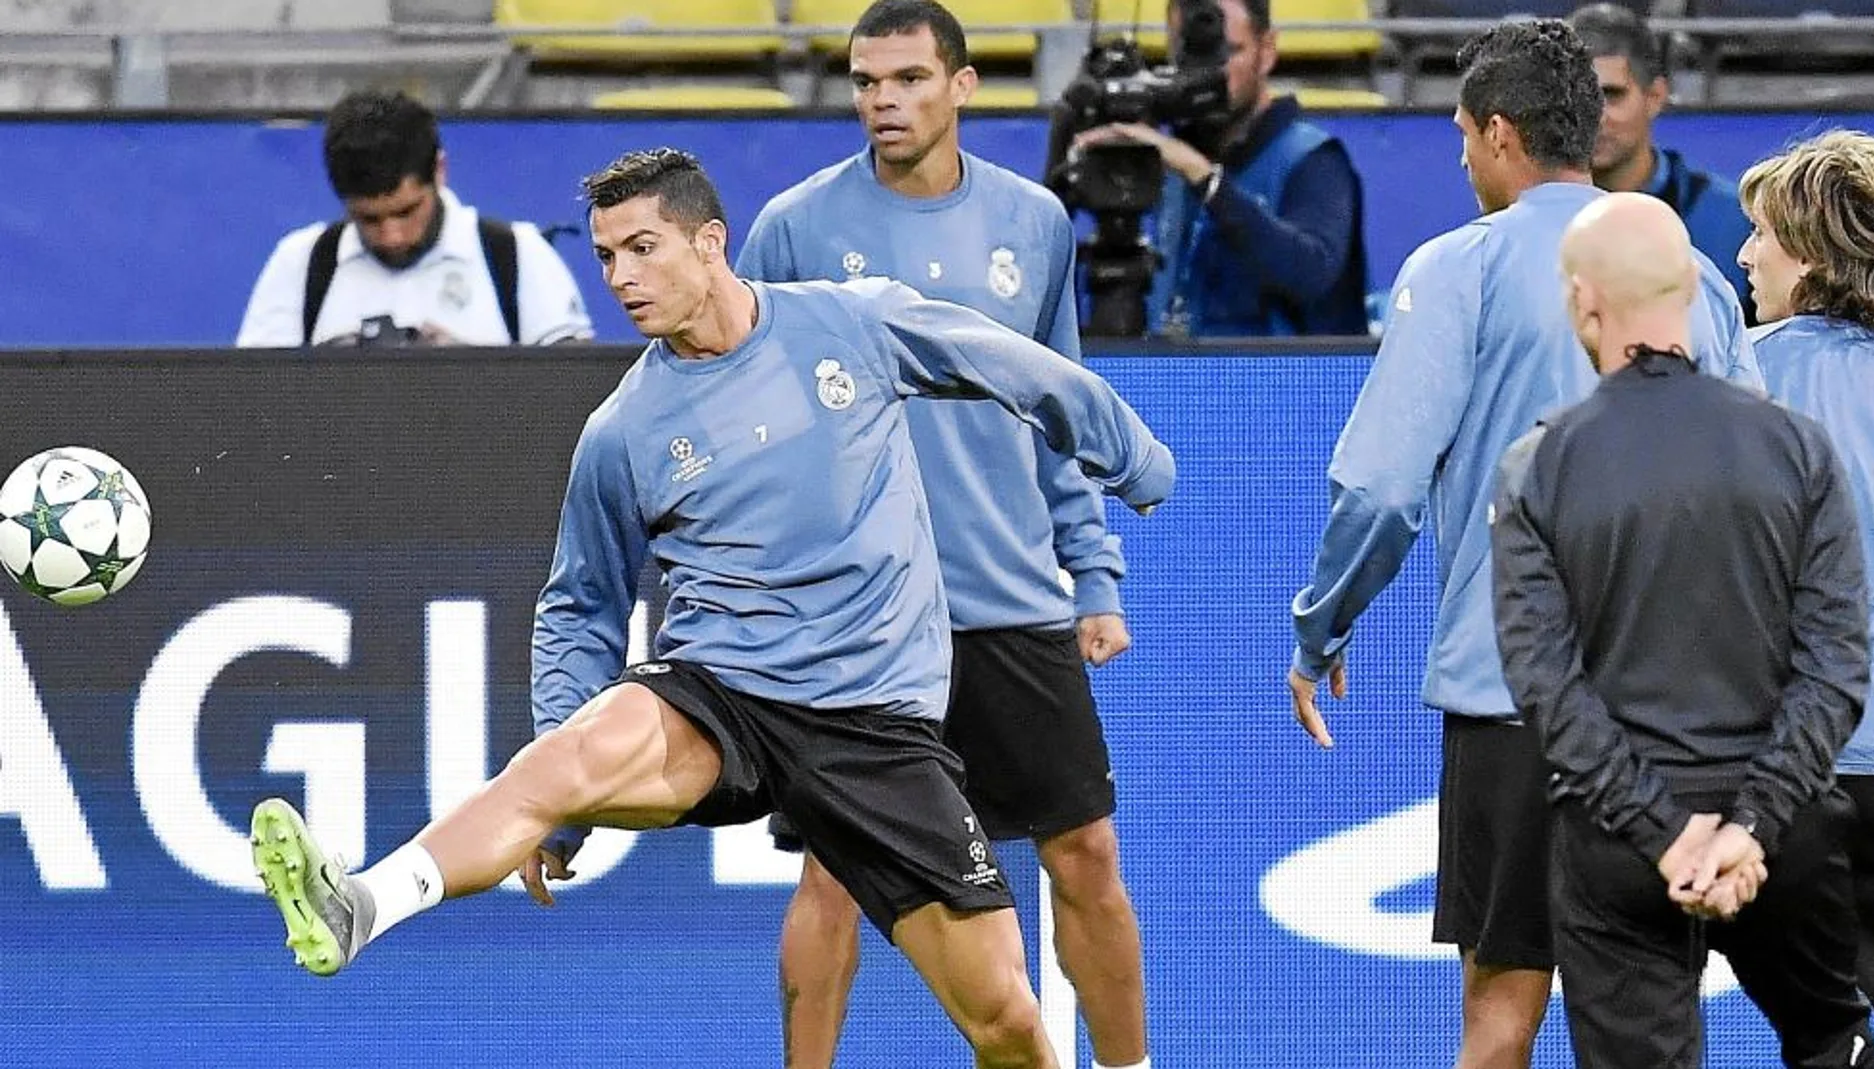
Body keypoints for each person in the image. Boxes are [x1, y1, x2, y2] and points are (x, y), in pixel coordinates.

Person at [247, 146, 1173, 1069]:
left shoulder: (851, 324)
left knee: (1006, 1019)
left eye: (643, 248)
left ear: (711, 242)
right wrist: (565, 812)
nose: (621, 277)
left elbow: (1012, 363)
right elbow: (579, 605)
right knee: (566, 756)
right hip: (720, 693)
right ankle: (362, 903)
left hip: (874, 728)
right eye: (607, 255)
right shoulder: (624, 429)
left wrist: (1128, 456)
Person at [1284, 20, 1759, 1069]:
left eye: (1462, 136)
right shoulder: (1696, 280)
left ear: (1498, 132)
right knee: (1650, 1010)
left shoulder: (1457, 267)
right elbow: (1756, 493)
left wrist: (1320, 627)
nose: (1459, 159)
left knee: (1500, 1011)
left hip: (1516, 702)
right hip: (1669, 710)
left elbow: (1379, 487)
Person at [733, 3, 1151, 1068]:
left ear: (961, 87)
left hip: (1008, 594)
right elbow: (754, 418)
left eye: (910, 79)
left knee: (1085, 852)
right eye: (868, 80)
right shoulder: (790, 228)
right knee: (831, 870)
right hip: (858, 621)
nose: (885, 100)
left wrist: (1092, 573)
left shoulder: (1035, 223)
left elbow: (1061, 410)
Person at [1491, 190, 1874, 1069]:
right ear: (1692, 293)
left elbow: (1544, 686)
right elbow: (1835, 667)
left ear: (1584, 300)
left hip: (1616, 847)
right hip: (1786, 834)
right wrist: (1750, 826)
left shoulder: (1538, 465)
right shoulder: (1796, 447)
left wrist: (1664, 831)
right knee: (1830, 1039)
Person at [1742, 130, 1874, 1017]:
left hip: (1788, 773)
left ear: (1807, 250)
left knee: (1823, 1034)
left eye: (1759, 233)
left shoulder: (1733, 382)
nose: (1743, 255)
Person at [1065, 0, 1368, 338]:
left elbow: (1312, 273)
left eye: (1228, 53)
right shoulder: (1171, 155)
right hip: (1182, 374)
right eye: (1188, 55)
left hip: (1284, 379)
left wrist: (1207, 182)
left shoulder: (1312, 157)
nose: (1210, 75)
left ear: (1266, 50)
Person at [236, 88, 593, 348]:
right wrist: (327, 372)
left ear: (439, 170)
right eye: (369, 219)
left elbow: (571, 396)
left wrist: (469, 370)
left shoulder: (517, 253)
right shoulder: (299, 262)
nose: (392, 236)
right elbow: (253, 405)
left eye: (406, 212)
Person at [1568, 2, 1755, 321]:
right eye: (1577, 96)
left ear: (1655, 96)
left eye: (1611, 95)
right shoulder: (1530, 221)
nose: (1594, 116)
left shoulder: (1734, 220)